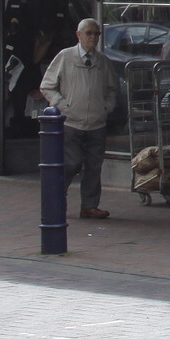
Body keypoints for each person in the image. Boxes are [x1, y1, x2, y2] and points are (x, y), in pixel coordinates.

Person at [41, 18, 117, 219]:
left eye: (96, 34)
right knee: (70, 163)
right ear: (79, 35)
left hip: (96, 123)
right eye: (89, 33)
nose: (93, 37)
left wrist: (106, 107)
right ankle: (57, 200)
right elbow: (47, 86)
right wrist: (63, 106)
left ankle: (89, 206)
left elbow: (111, 89)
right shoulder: (65, 57)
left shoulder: (102, 61)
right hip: (71, 122)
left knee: (94, 166)